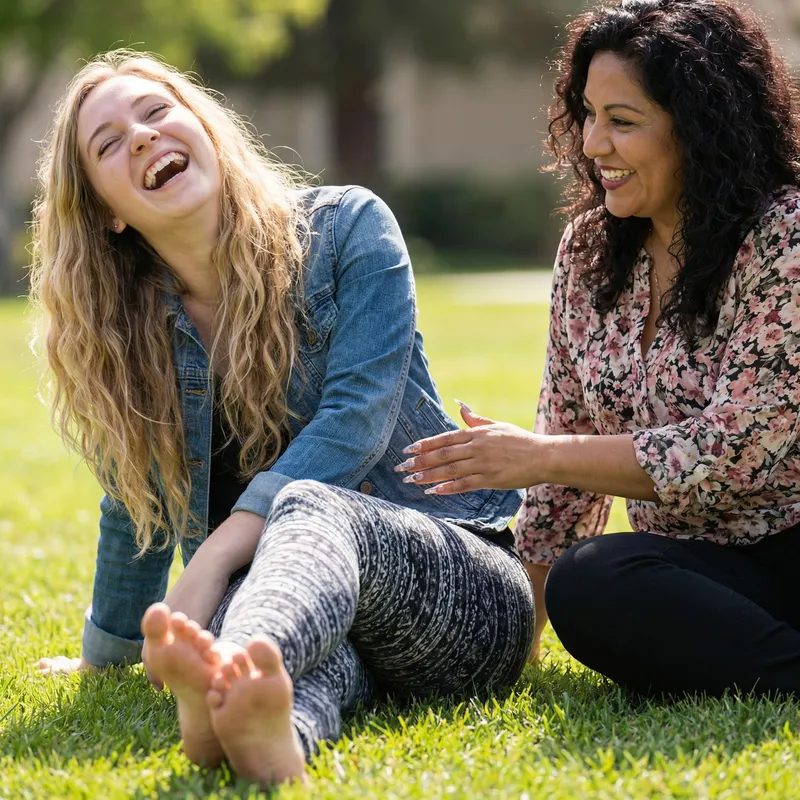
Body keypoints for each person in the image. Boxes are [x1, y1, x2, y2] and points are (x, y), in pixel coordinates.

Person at [31, 50, 534, 786]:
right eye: (109, 144)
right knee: (298, 654)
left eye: (157, 112)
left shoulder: (349, 230)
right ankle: (268, 734)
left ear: (206, 129)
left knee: (302, 507)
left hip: (463, 592)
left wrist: (209, 561)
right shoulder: (131, 336)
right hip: (307, 615)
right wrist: (109, 650)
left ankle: (228, 659)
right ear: (106, 211)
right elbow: (131, 505)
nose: (140, 136)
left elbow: (355, 421)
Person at [396, 0, 800, 697]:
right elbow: (564, 464)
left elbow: (734, 452)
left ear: (700, 129)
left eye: (622, 121)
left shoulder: (784, 235)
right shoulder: (588, 250)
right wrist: (512, 646)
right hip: (696, 568)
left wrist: (536, 454)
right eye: (586, 114)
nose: (591, 144)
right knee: (592, 581)